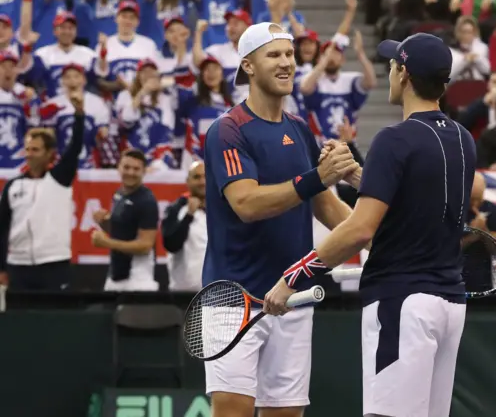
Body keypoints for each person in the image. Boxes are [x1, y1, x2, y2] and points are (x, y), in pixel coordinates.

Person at [264, 33, 476, 417]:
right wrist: (362, 176)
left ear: (404, 75)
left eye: (394, 64)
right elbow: (418, 198)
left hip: (403, 303)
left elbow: (360, 229)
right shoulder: (463, 138)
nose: (390, 71)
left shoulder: (394, 140)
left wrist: (292, 277)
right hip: (449, 305)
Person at [203, 22, 358, 417]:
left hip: (292, 298)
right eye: (274, 55)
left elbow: (328, 207)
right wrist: (316, 178)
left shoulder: (298, 130)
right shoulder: (227, 131)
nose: (287, 62)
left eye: (289, 54)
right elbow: (247, 204)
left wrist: (381, 238)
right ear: (248, 66)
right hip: (234, 301)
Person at [0, 91, 85, 290]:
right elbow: (1, 228)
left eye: (35, 150)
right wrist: (1, 268)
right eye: (28, 149)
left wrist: (79, 113)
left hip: (53, 263)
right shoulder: (13, 186)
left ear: (49, 154)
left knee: (55, 317)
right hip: (18, 265)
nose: (29, 155)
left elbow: (74, 149)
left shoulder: (59, 179)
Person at [91, 148, 160, 292]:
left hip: (138, 278)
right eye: (126, 167)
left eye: (136, 169)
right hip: (116, 275)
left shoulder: (147, 201)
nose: (130, 172)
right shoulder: (119, 194)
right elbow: (122, 232)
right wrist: (103, 222)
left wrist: (106, 243)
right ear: (119, 168)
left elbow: (145, 245)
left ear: (144, 171)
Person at [162, 161, 207, 292]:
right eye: (197, 177)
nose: (202, 182)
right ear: (188, 181)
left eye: (205, 177)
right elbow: (171, 244)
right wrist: (188, 216)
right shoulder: (175, 209)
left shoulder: (221, 211)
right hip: (183, 294)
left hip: (215, 295)